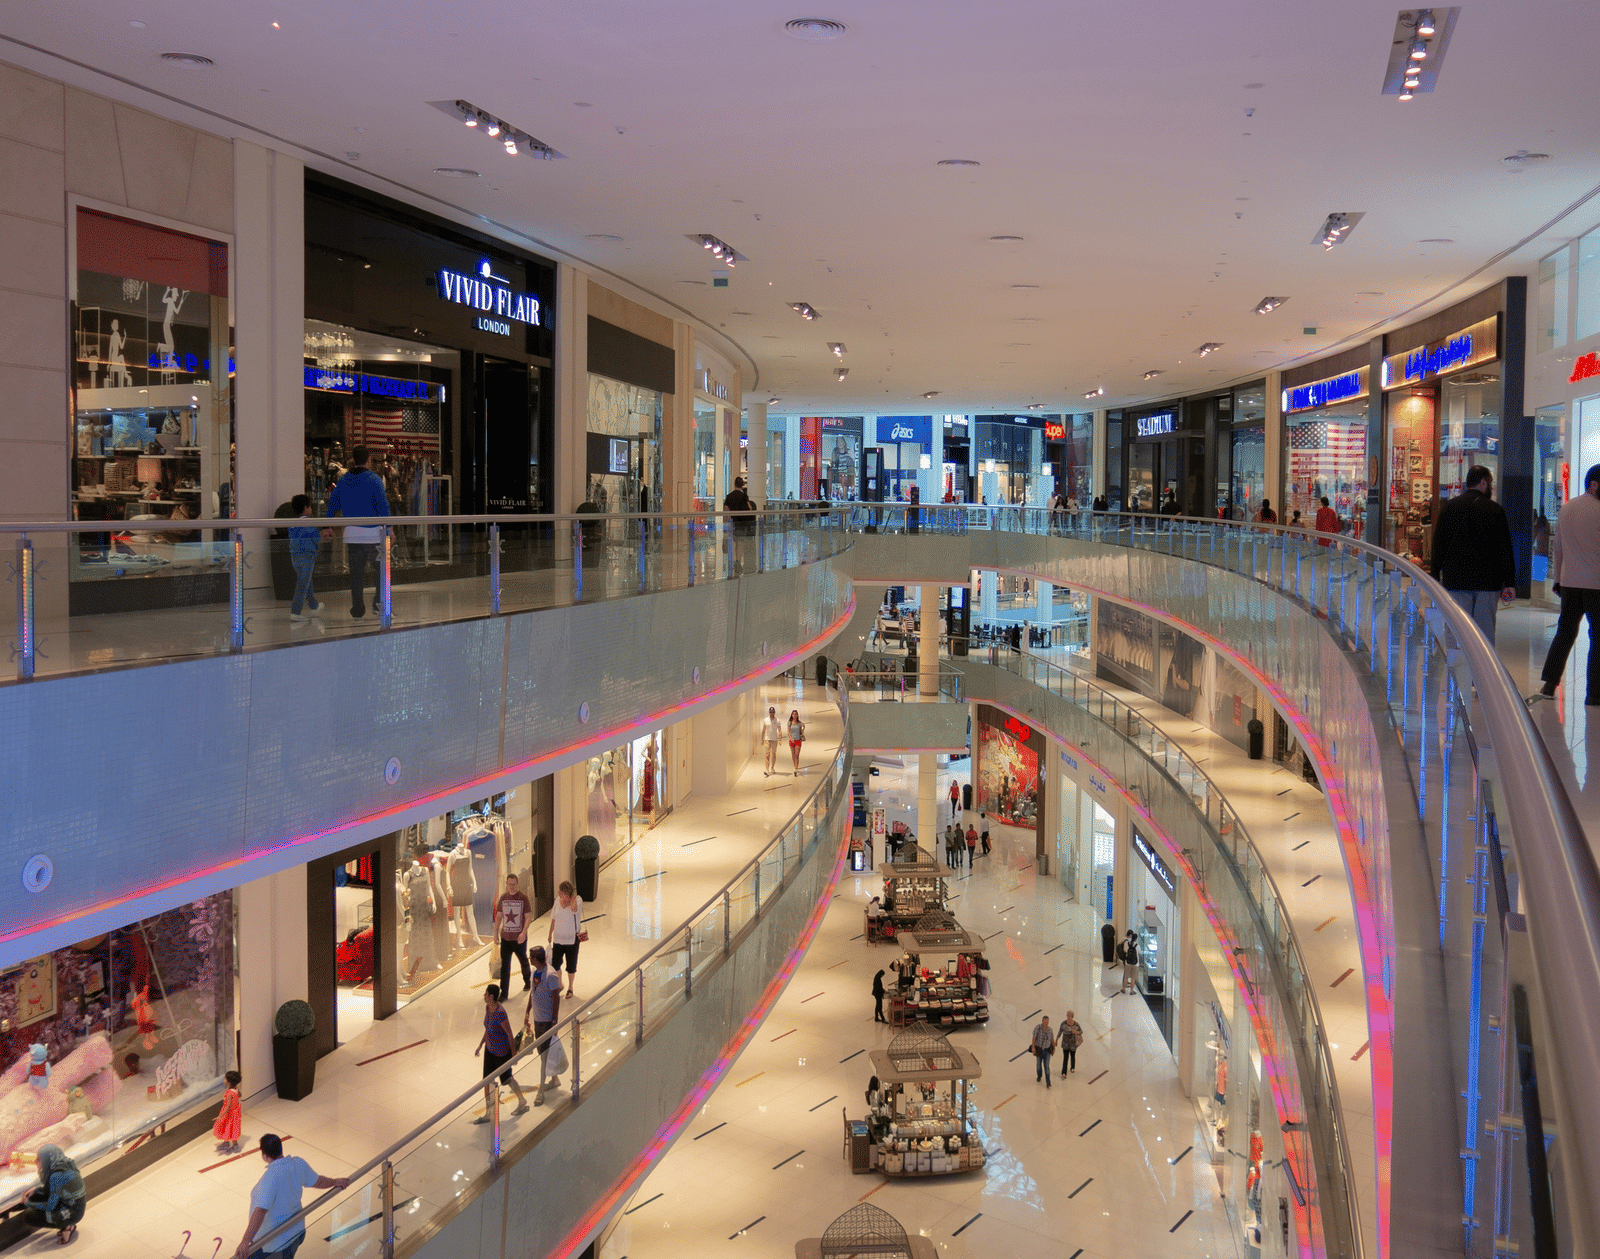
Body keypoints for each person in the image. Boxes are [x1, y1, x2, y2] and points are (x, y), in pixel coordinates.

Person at [1430, 465, 1517, 646]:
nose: (1491, 487)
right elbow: (1505, 548)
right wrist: (1509, 582)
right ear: (1483, 483)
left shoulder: (1449, 508)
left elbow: (1438, 544)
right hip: (1487, 581)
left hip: (1456, 579)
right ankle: (1483, 672)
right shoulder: (1495, 510)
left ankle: (1456, 669)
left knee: (1457, 629)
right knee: (1484, 634)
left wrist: (1434, 575)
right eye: (1490, 483)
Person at [1539, 463, 1600, 704]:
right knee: (1598, 637)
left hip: (1570, 582)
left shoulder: (1567, 509)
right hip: (1596, 584)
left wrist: (1557, 580)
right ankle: (1595, 694)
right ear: (1594, 484)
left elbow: (1559, 547)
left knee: (1565, 632)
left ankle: (1549, 683)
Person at [234, 1134, 349, 1259]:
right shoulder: (297, 1164)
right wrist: (335, 1181)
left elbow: (260, 1210)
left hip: (273, 1243)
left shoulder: (271, 1177)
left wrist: (245, 1241)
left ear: (264, 1156)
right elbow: (318, 1181)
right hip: (296, 1231)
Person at [324, 445, 390, 619]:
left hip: (352, 534)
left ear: (353, 459)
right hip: (373, 534)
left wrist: (327, 525)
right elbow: (383, 506)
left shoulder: (344, 480)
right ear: (368, 460)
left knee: (356, 574)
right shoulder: (374, 479)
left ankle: (358, 608)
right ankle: (379, 604)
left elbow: (333, 504)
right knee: (381, 571)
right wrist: (389, 527)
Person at [473, 984, 530, 1122]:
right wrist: (481, 1045)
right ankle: (489, 1112)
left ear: (491, 996)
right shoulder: (488, 1008)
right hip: (490, 1050)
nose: (484, 996)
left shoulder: (500, 1012)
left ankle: (522, 1101)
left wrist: (513, 1054)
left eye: (486, 994)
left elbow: (509, 1034)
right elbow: (488, 1029)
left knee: (507, 1079)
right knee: (487, 1082)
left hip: (501, 1052)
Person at [521, 945, 565, 1105]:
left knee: (544, 1057)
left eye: (530, 957)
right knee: (542, 1052)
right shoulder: (535, 973)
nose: (528, 959)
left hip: (547, 1021)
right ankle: (554, 1079)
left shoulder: (550, 975)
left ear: (535, 959)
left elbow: (556, 998)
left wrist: (554, 1020)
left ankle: (540, 1092)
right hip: (538, 1019)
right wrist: (527, 1012)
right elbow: (533, 993)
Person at [19, 1145, 85, 1245]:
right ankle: (68, 1225)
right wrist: (36, 1190)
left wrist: (29, 1204)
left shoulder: (56, 1175)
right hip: (75, 1205)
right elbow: (55, 1190)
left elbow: (50, 1206)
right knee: (34, 1196)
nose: (37, 1161)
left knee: (29, 1216)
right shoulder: (66, 1164)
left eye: (39, 1159)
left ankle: (67, 1226)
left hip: (73, 1213)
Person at [286, 495, 325, 623]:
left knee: (305, 581)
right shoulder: (309, 523)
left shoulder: (292, 524)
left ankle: (314, 606)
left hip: (295, 556)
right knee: (303, 584)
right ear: (306, 508)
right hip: (307, 556)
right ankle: (295, 612)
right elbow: (316, 537)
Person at [493, 874, 533, 997]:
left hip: (519, 939)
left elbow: (528, 917)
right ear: (506, 884)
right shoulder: (503, 898)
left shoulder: (523, 898)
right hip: (506, 939)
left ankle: (527, 981)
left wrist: (523, 932)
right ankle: (504, 993)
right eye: (509, 884)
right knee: (505, 966)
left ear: (517, 884)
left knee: (523, 961)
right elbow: (499, 917)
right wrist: (495, 934)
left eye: (514, 884)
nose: (512, 887)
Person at [549, 880, 583, 999]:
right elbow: (553, 918)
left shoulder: (577, 901)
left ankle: (571, 987)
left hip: (571, 940)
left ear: (569, 895)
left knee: (571, 965)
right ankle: (560, 984)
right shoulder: (557, 901)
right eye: (560, 894)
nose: (561, 897)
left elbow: (574, 909)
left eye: (563, 894)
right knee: (556, 964)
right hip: (558, 939)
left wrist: (572, 897)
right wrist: (550, 934)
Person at [722, 476, 755, 572]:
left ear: (734, 484)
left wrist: (725, 523)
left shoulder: (729, 496)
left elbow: (726, 510)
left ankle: (731, 560)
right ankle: (738, 560)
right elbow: (749, 508)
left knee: (732, 541)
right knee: (740, 542)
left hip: (732, 522)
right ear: (742, 485)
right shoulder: (744, 496)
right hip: (742, 523)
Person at [213, 1068, 243, 1153]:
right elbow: (239, 1096)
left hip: (229, 1114)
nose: (224, 1080)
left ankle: (234, 1145)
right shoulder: (236, 1089)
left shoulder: (229, 1093)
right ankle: (229, 1143)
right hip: (235, 1113)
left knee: (229, 1127)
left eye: (225, 1079)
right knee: (229, 1128)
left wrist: (220, 1116)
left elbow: (228, 1106)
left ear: (229, 1082)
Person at [1031, 1014, 1056, 1087]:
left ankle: (1048, 1082)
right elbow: (1034, 1038)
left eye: (1047, 1022)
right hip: (1039, 1049)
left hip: (1047, 1050)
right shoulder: (1037, 1028)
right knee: (1038, 1065)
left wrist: (1053, 1048)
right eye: (1045, 1022)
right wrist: (1033, 1047)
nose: (1046, 1024)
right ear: (1042, 1021)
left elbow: (1052, 1040)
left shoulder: (1050, 1030)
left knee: (1047, 1066)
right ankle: (1039, 1075)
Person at [761, 705, 784, 777]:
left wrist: (780, 739)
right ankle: (767, 770)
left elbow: (780, 730)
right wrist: (762, 739)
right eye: (770, 712)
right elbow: (763, 730)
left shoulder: (777, 721)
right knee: (767, 755)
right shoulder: (765, 720)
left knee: (773, 755)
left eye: (773, 712)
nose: (771, 714)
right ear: (769, 713)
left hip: (774, 740)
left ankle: (772, 767)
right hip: (767, 740)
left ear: (774, 713)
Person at [1119, 930, 1141, 994]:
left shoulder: (1127, 943)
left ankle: (1123, 989)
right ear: (1136, 939)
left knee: (1126, 976)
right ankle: (1131, 991)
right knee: (1133, 978)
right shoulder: (1138, 946)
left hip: (1127, 963)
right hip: (1135, 964)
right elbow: (1139, 954)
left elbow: (1125, 951)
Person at [787, 708, 806, 775]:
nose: (794, 715)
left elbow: (801, 732)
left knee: (797, 754)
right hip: (792, 741)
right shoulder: (789, 723)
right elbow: (788, 731)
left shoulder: (799, 723)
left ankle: (796, 767)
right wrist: (790, 738)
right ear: (792, 715)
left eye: (795, 714)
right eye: (793, 714)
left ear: (797, 715)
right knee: (793, 754)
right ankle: (794, 765)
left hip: (798, 740)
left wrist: (803, 728)